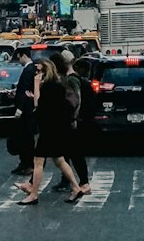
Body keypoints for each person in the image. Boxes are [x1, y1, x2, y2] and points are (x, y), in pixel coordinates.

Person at [14, 61, 83, 205]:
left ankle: (33, 194)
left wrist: (36, 86)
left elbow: (38, 104)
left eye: (39, 71)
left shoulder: (47, 87)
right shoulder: (58, 86)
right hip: (56, 128)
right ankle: (76, 188)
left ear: (45, 72)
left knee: (38, 161)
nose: (36, 74)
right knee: (59, 160)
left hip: (48, 129)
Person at [52, 51, 89, 194]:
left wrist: (74, 118)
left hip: (73, 122)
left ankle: (82, 181)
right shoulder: (69, 78)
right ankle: (69, 179)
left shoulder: (72, 79)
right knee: (68, 152)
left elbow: (77, 100)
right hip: (70, 121)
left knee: (75, 153)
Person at [12, 47, 41, 174]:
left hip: (27, 109)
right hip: (28, 108)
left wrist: (19, 108)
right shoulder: (30, 69)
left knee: (26, 137)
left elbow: (26, 91)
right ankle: (25, 163)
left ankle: (27, 164)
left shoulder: (29, 70)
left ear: (24, 56)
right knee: (25, 136)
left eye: (19, 57)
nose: (19, 61)